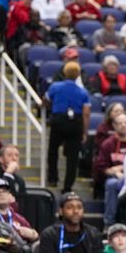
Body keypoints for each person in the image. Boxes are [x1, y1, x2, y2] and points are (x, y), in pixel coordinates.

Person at [44, 61, 90, 191]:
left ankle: (53, 179)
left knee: (53, 150)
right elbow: (86, 113)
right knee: (73, 157)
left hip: (59, 120)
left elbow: (46, 99)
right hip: (75, 122)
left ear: (64, 72)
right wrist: (84, 132)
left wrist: (45, 106)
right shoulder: (83, 92)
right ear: (78, 75)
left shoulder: (55, 87)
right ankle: (67, 186)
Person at [95, 114, 126, 227]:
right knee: (112, 184)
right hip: (114, 178)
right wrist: (113, 171)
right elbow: (101, 167)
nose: (123, 125)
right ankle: (109, 223)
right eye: (120, 123)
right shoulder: (107, 144)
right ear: (114, 126)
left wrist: (122, 168)